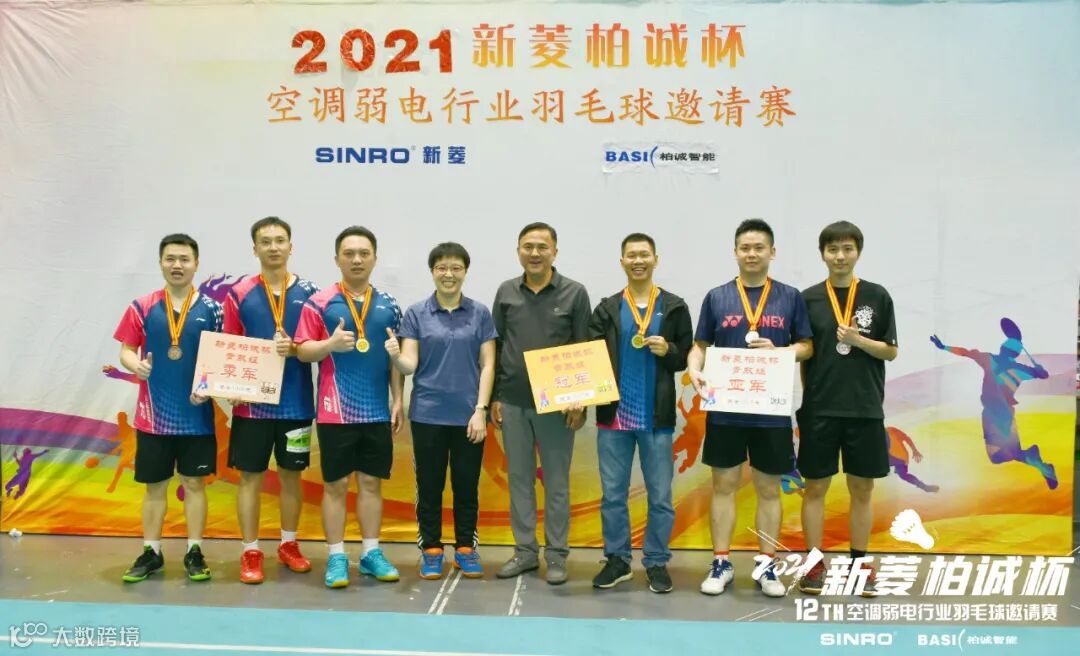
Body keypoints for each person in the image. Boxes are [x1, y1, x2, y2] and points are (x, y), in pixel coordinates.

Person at [686, 218, 812, 598]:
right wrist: (694, 368)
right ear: (735, 252)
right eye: (745, 247)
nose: (752, 254)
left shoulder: (790, 297)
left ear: (772, 252)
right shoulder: (717, 297)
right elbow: (700, 346)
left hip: (770, 409)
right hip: (725, 408)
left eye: (759, 247)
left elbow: (807, 347)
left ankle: (766, 565)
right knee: (723, 485)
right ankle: (721, 562)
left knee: (769, 488)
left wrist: (782, 351)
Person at [295, 226, 404, 589]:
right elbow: (302, 350)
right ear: (337, 259)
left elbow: (395, 359)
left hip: (376, 411)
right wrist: (329, 345)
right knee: (336, 484)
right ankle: (337, 556)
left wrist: (398, 399)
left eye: (364, 253)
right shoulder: (320, 302)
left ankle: (371, 553)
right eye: (349, 253)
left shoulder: (389, 305)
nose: (357, 260)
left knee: (371, 482)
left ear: (374, 258)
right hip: (334, 411)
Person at [795, 221, 898, 597]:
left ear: (858, 252)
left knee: (862, 488)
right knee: (815, 487)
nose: (840, 256)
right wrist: (812, 398)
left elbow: (890, 351)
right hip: (820, 409)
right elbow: (805, 353)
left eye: (847, 249)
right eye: (833, 249)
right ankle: (813, 564)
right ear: (823, 254)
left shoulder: (877, 296)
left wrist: (858, 340)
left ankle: (860, 563)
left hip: (865, 408)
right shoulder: (807, 299)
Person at [113, 233, 223, 583]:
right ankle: (151, 551)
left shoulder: (214, 309)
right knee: (155, 486)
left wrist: (210, 387)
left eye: (184, 259)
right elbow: (126, 350)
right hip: (153, 418)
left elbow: (223, 357)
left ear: (196, 264)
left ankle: (194, 551)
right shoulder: (142, 306)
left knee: (194, 484)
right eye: (171, 259)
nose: (177, 265)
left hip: (197, 418)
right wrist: (135, 365)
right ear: (161, 262)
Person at [587, 233, 693, 593]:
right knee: (612, 495)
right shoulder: (606, 308)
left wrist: (670, 350)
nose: (638, 261)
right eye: (631, 255)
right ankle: (617, 560)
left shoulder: (674, 306)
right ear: (622, 262)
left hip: (656, 418)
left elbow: (687, 356)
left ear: (655, 259)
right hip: (614, 417)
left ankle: (657, 561)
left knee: (660, 496)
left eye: (644, 255)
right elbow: (590, 356)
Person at [387, 242, 497, 580]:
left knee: (466, 486)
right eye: (442, 268)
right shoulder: (417, 313)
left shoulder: (480, 313)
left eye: (456, 268)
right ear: (433, 271)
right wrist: (395, 356)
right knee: (429, 486)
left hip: (469, 417)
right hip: (427, 415)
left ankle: (466, 548)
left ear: (465, 271)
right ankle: (431, 549)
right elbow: (409, 364)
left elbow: (488, 364)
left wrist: (480, 410)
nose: (449, 274)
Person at [491, 222, 591, 585]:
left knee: (556, 483)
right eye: (528, 246)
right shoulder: (506, 292)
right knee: (519, 480)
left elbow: (583, 347)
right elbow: (497, 346)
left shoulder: (574, 293)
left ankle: (557, 555)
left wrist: (579, 401)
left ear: (554, 252)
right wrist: (495, 397)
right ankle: (525, 552)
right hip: (513, 402)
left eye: (542, 247)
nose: (535, 253)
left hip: (557, 405)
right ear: (519, 251)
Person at [222, 217, 320, 584]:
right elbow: (229, 343)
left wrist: (297, 348)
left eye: (280, 240)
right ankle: (250, 550)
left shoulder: (312, 293)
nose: (274, 247)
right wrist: (230, 386)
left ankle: (288, 544)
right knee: (250, 477)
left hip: (296, 402)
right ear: (255, 249)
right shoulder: (239, 294)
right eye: (266, 241)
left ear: (291, 247)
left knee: (292, 476)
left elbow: (319, 344)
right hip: (252, 405)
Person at [930, 321, 1054, 487]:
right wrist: (1039, 369)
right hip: (1004, 413)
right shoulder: (1021, 369)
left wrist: (943, 347)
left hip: (993, 412)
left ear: (1003, 348)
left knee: (997, 456)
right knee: (1008, 453)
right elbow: (1043, 375)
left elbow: (965, 352)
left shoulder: (989, 359)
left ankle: (1037, 461)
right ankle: (1041, 465)